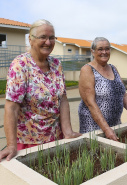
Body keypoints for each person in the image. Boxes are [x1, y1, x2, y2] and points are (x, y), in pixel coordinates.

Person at [0, 19, 81, 162]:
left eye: (51, 38)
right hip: (29, 142)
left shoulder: (57, 64)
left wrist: (68, 132)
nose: (48, 42)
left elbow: (62, 99)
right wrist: (11, 145)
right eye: (43, 37)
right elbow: (11, 108)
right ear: (31, 40)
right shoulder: (20, 65)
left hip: (56, 138)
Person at [78, 37, 127, 141]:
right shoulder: (87, 70)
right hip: (94, 125)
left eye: (107, 49)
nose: (104, 52)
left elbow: (123, 95)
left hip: (114, 123)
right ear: (93, 51)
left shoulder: (113, 68)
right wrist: (106, 129)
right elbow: (90, 103)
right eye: (100, 49)